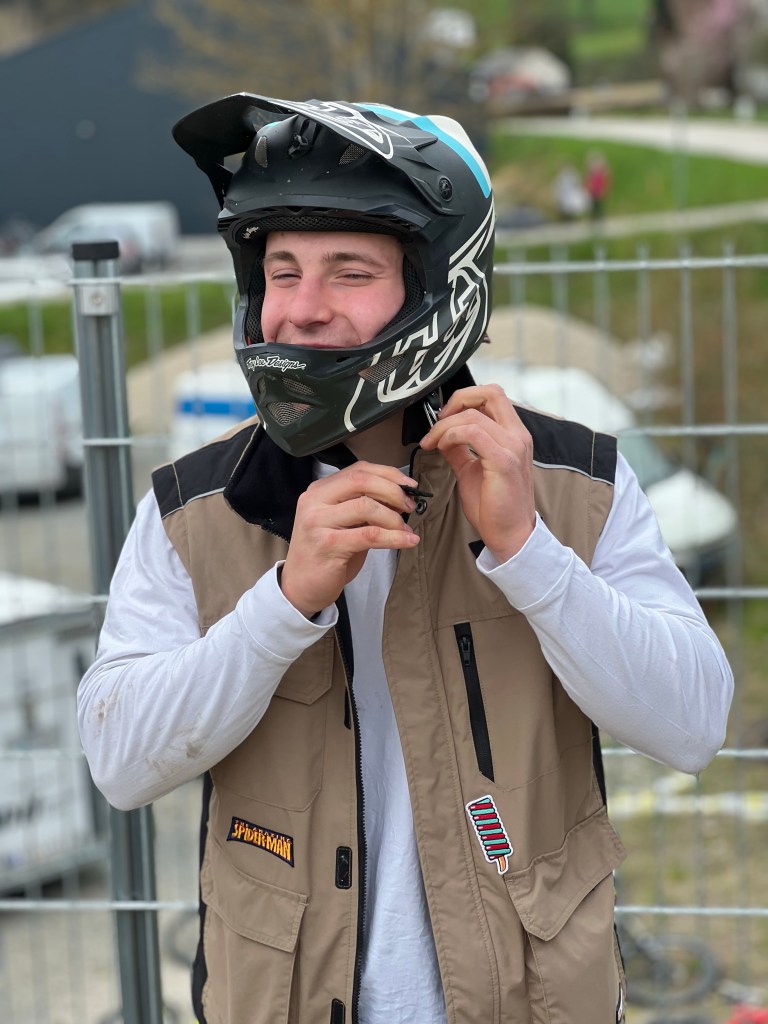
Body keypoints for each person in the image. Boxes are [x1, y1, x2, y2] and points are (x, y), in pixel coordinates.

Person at [77, 94, 733, 1024]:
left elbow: (693, 725)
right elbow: (119, 763)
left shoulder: (574, 480)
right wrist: (282, 606)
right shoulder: (194, 509)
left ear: (439, 286)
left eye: (349, 272)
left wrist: (529, 553)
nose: (303, 310)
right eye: (282, 271)